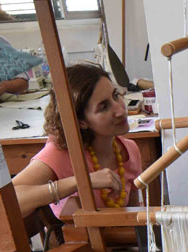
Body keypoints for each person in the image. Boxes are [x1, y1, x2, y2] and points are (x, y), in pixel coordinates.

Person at [12, 62, 138, 219]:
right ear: (80, 121)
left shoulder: (129, 150)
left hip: (119, 240)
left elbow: (133, 220)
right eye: (103, 107)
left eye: (116, 95)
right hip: (82, 241)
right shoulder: (61, 153)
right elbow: (9, 202)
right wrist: (82, 181)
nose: (120, 110)